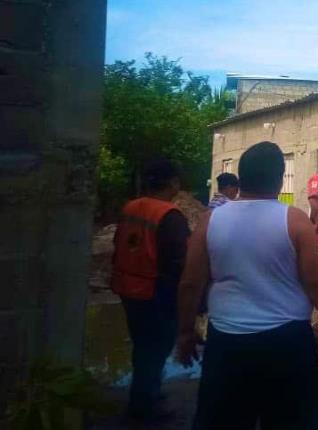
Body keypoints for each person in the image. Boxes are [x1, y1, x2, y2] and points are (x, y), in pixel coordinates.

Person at [175, 141, 318, 430]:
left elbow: (190, 283)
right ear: (280, 179)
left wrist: (184, 332)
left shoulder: (211, 221)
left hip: (227, 343)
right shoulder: (294, 221)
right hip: (287, 344)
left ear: (241, 177)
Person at [110, 159, 190, 422]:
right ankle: (145, 405)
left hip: (126, 286)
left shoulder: (131, 207)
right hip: (154, 290)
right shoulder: (170, 216)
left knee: (142, 345)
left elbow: (118, 242)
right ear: (173, 183)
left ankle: (144, 393)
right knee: (156, 347)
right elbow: (179, 263)